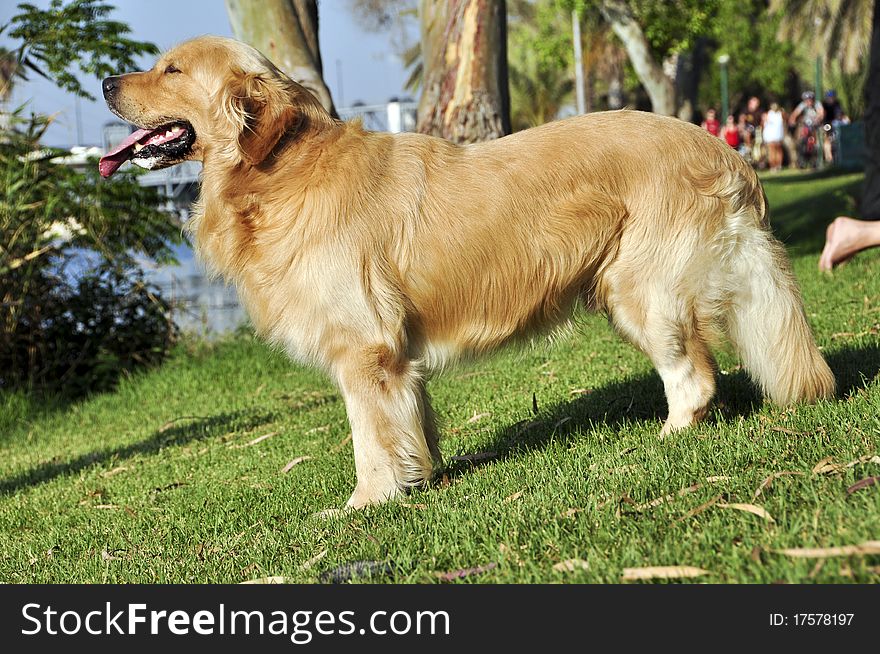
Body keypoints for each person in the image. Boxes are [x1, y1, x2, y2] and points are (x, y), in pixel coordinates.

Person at [789, 91, 825, 167]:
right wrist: (792, 120)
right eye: (807, 100)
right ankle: (801, 161)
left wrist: (818, 118)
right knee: (800, 139)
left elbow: (821, 113)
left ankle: (817, 159)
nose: (808, 102)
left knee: (818, 141)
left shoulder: (817, 104)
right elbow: (795, 113)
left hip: (815, 125)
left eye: (810, 100)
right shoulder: (803, 105)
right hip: (806, 125)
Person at [762, 102, 785, 172]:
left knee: (778, 150)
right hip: (771, 136)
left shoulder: (780, 114)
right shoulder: (768, 114)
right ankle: (773, 166)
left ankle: (778, 165)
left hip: (778, 135)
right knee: (772, 151)